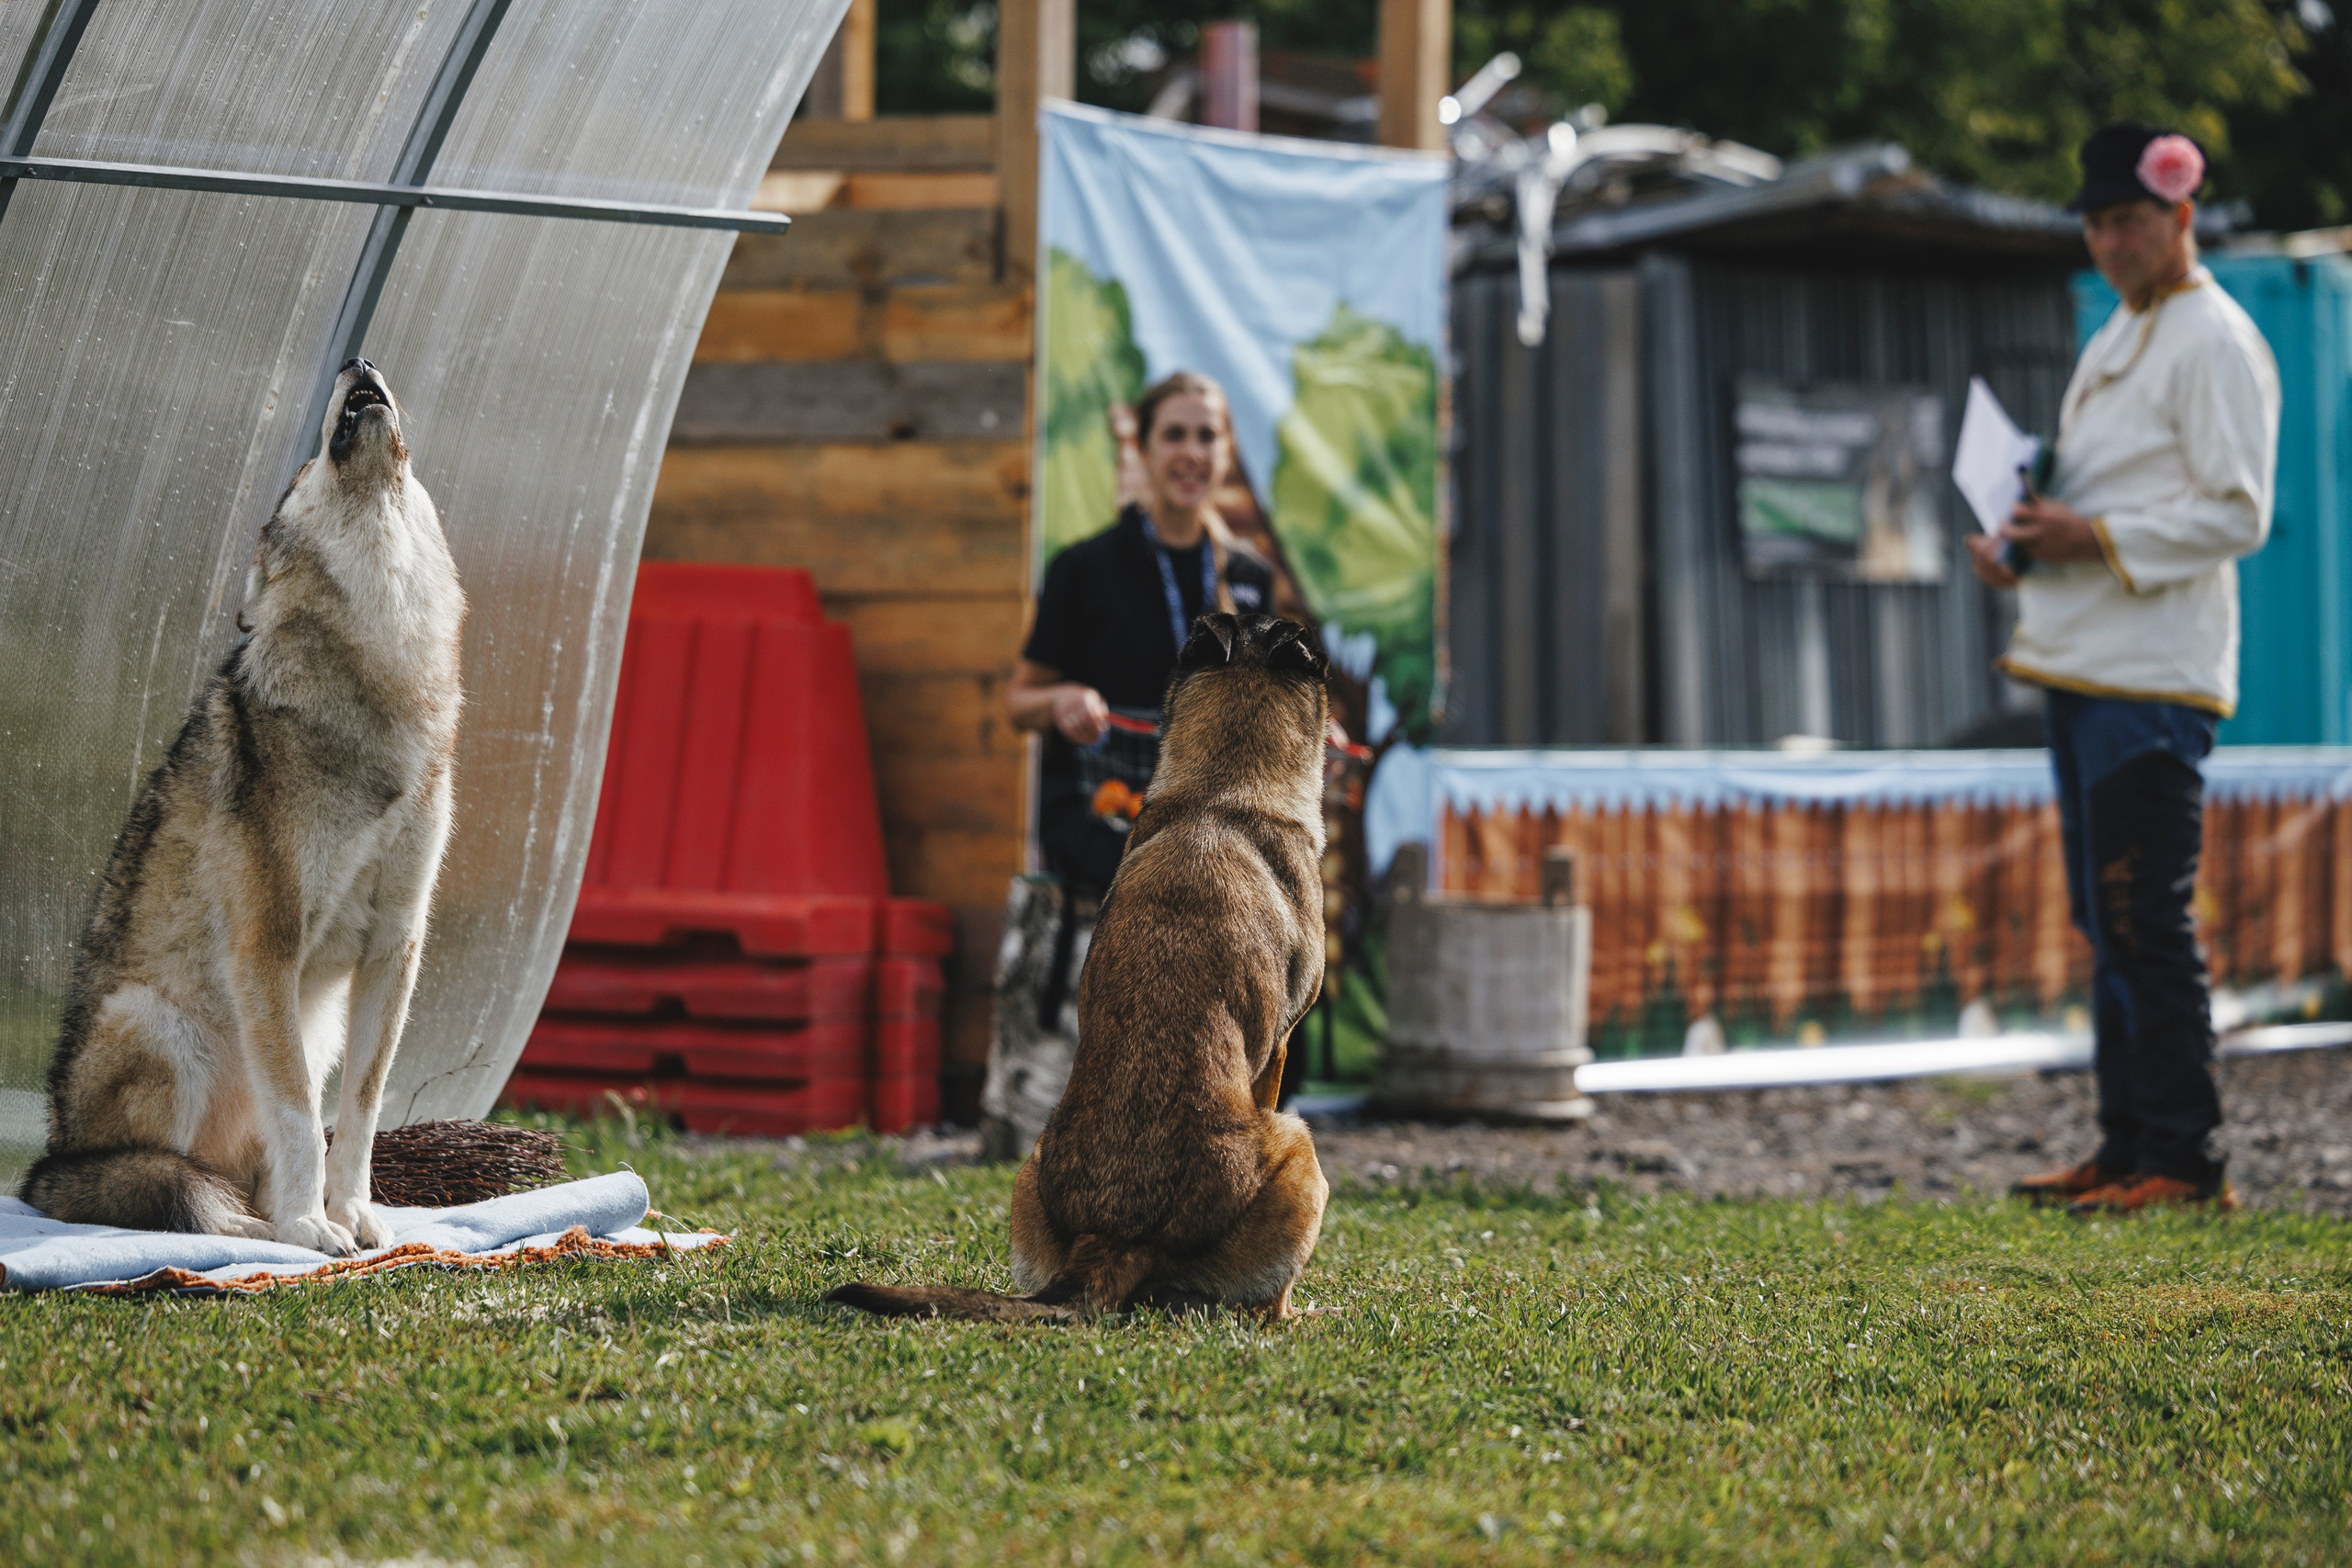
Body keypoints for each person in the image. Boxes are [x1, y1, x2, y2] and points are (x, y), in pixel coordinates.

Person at [1971, 124, 2280, 1213]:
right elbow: (2099, 489)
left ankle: (2186, 1160)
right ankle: (2127, 1143)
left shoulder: (2212, 339)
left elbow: (2239, 511)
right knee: (2106, 919)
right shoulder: (2119, 333)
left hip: (2152, 675)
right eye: (2096, 223)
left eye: (2126, 221)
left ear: (2180, 216)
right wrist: (2024, 544)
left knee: (2145, 914)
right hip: (2081, 658)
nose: (2107, 241)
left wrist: (2088, 537)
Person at [1009, 370, 1276, 896]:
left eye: (1207, 435)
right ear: (1142, 448)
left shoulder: (1250, 576)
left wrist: (1313, 735)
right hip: (1099, 843)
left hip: (1207, 845)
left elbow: (1257, 707)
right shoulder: (1083, 569)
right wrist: (1063, 698)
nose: (1191, 452)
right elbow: (1018, 702)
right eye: (1174, 434)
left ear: (1228, 451)